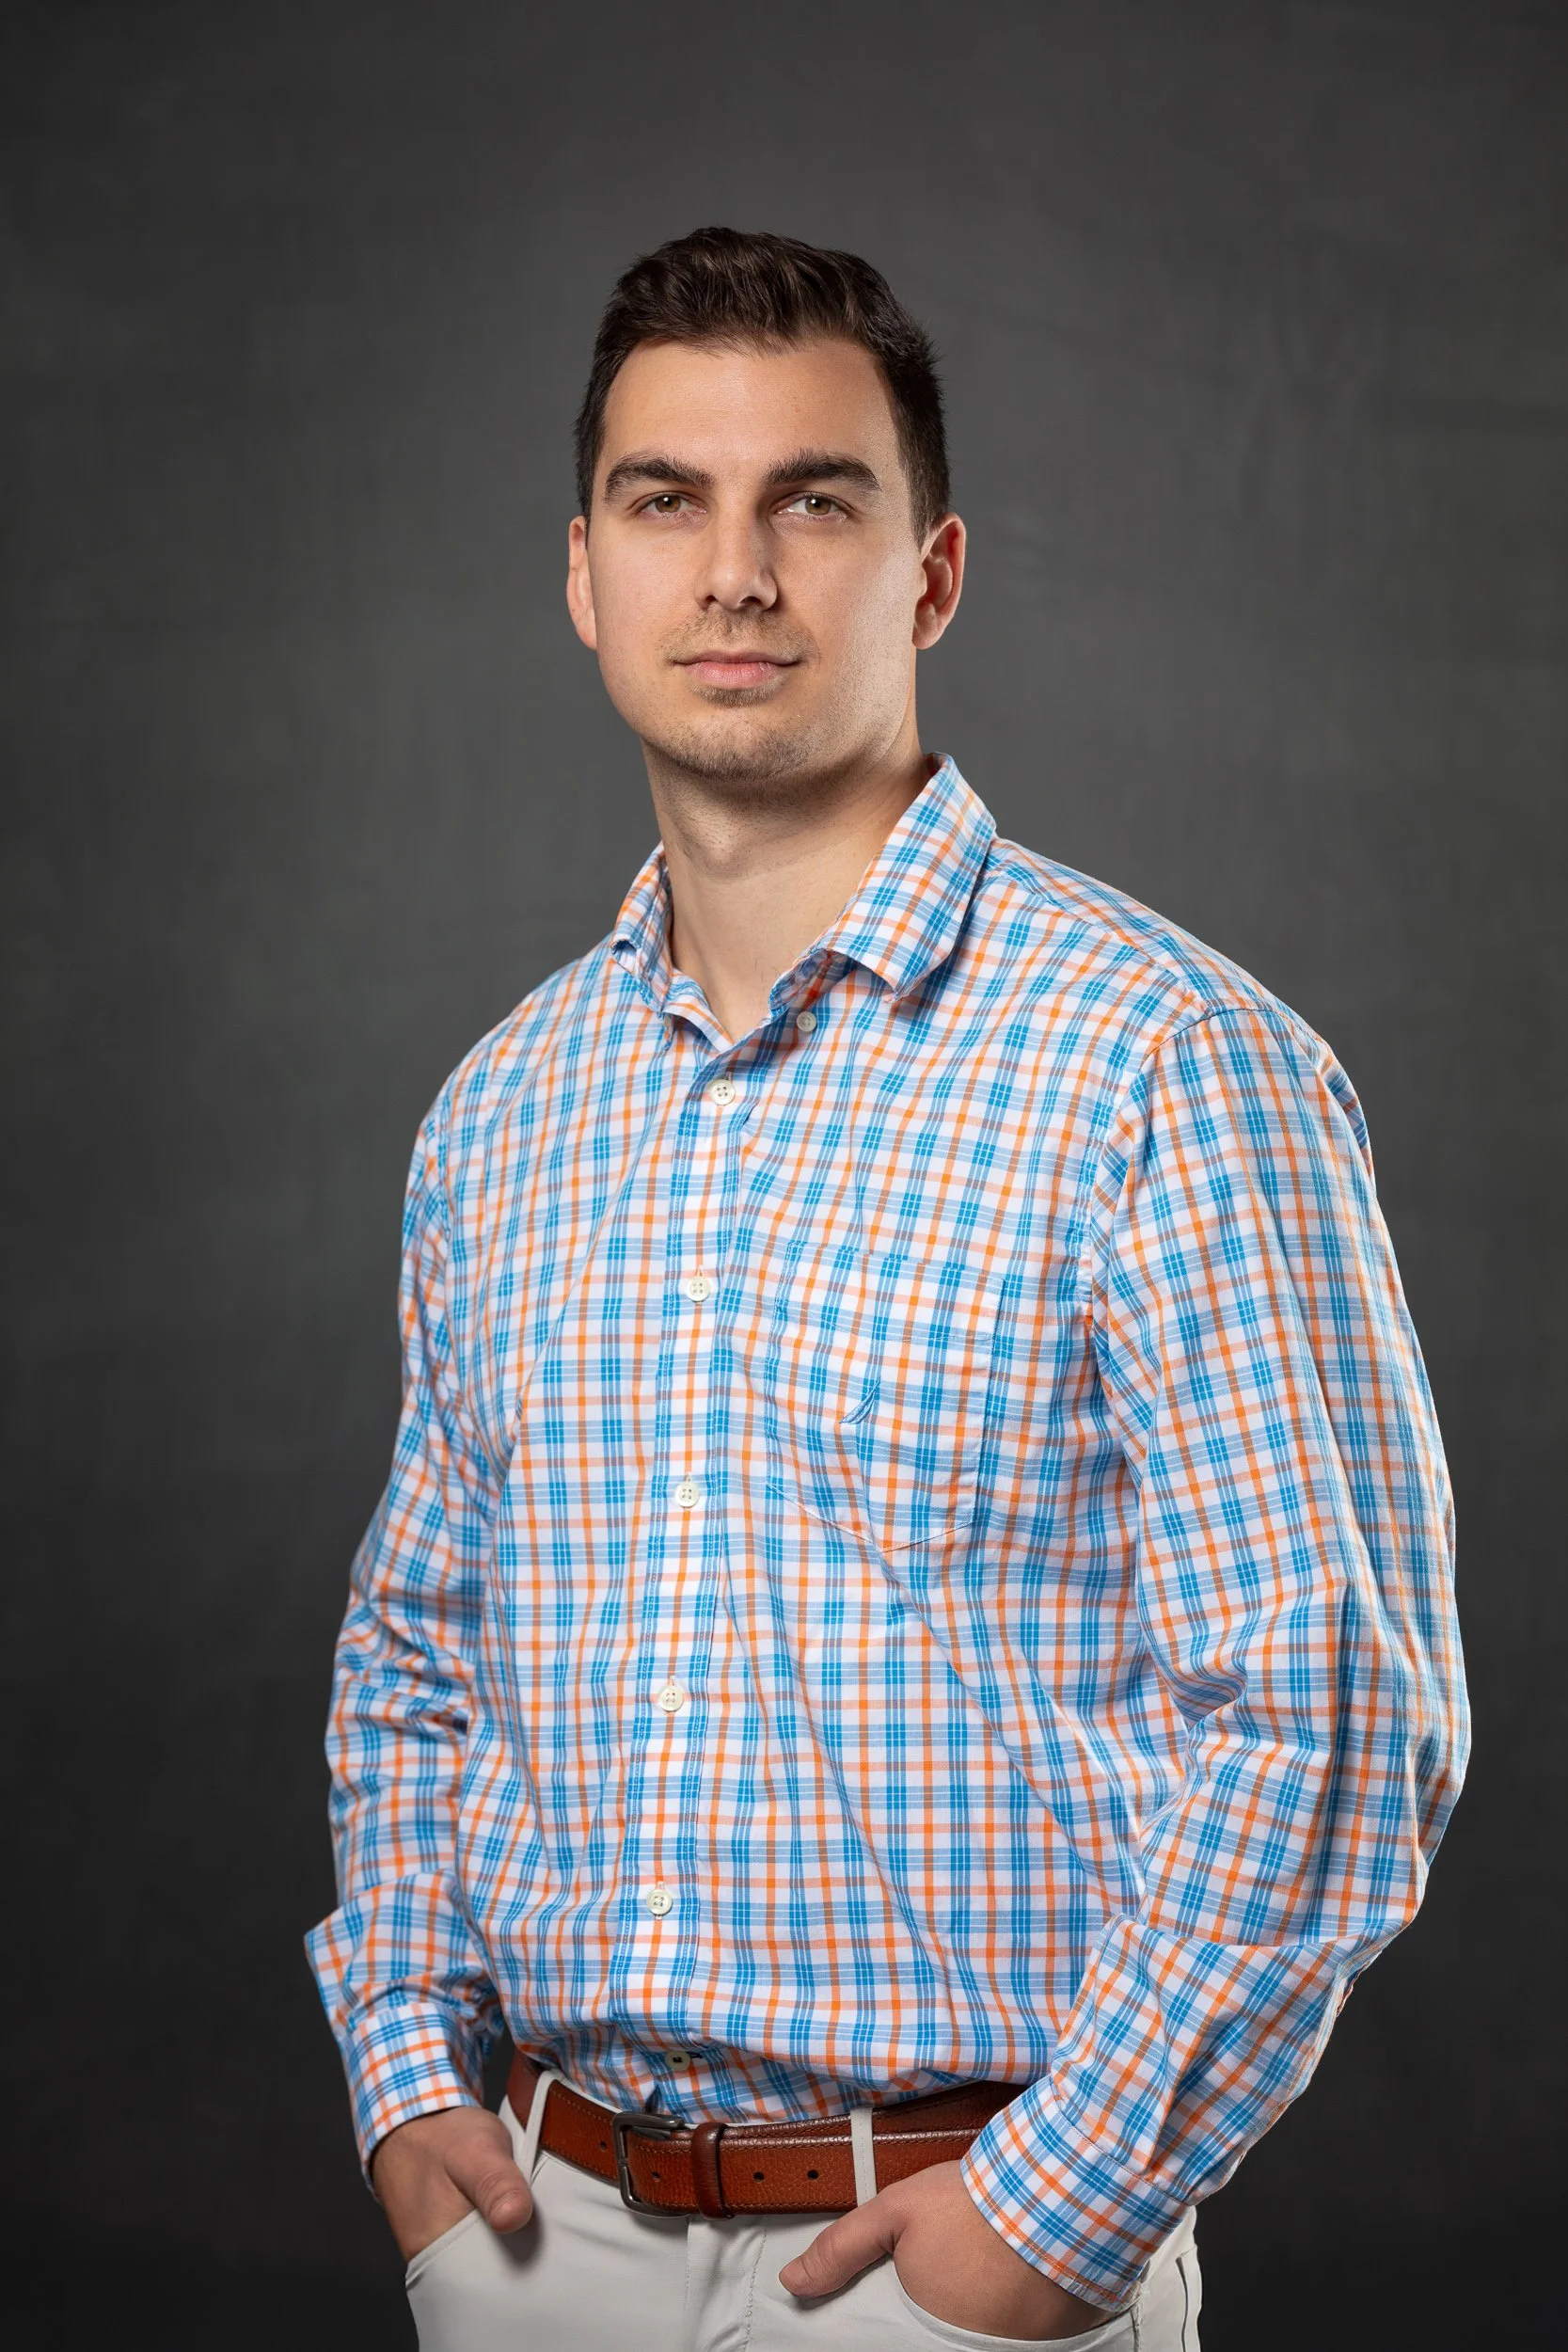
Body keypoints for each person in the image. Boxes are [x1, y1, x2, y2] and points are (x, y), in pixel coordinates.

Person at [307, 227, 1466, 2351]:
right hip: (536, 2243)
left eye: (809, 500)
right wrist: (405, 2079)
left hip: (946, 2251)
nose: (732, 571)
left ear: (926, 575)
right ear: (585, 576)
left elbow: (1333, 1712)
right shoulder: (496, 1117)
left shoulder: (1163, 1066)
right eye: (668, 500)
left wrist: (1052, 2211)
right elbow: (419, 1646)